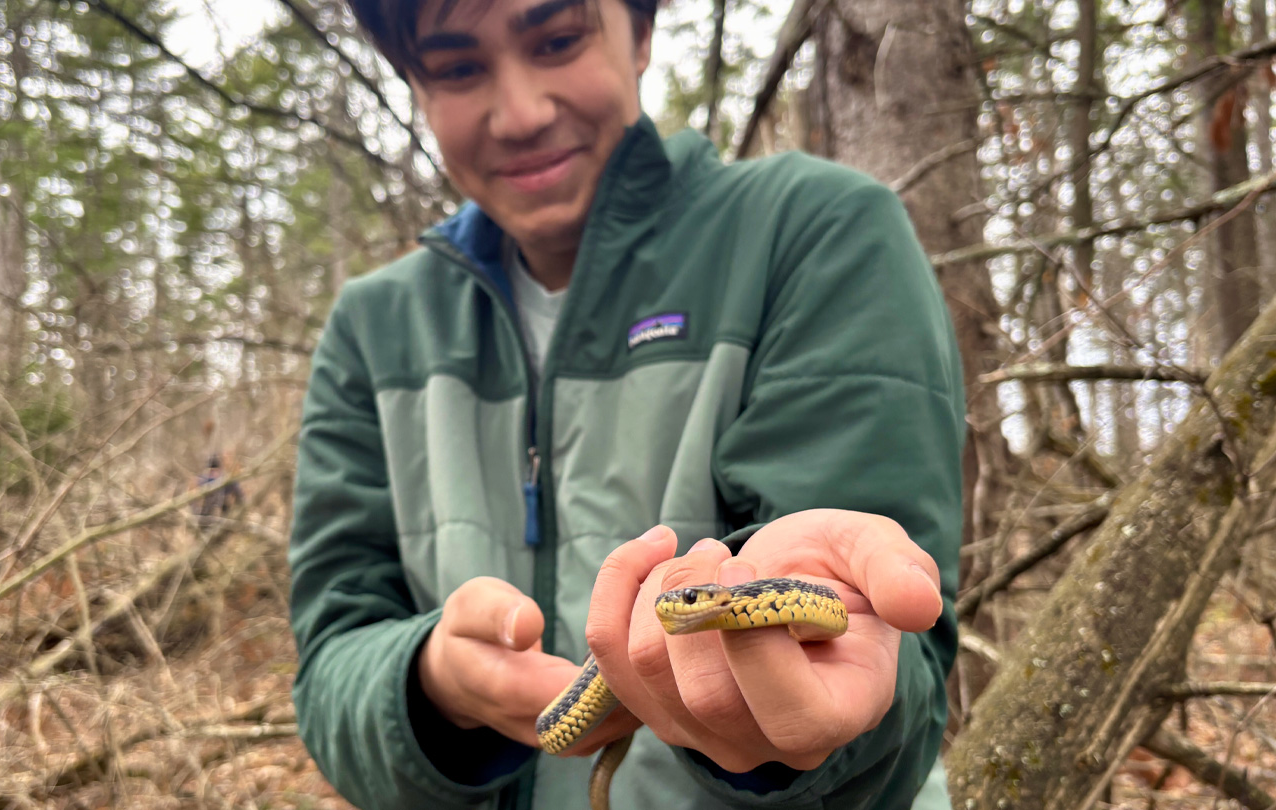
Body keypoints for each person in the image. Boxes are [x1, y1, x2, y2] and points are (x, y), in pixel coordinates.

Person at [286, 0, 965, 804]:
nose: (521, 113)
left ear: (640, 35)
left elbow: (893, 674)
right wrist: (427, 683)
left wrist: (809, 726)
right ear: (416, 85)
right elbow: (330, 665)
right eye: (460, 66)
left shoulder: (817, 232)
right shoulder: (373, 328)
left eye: (558, 39)